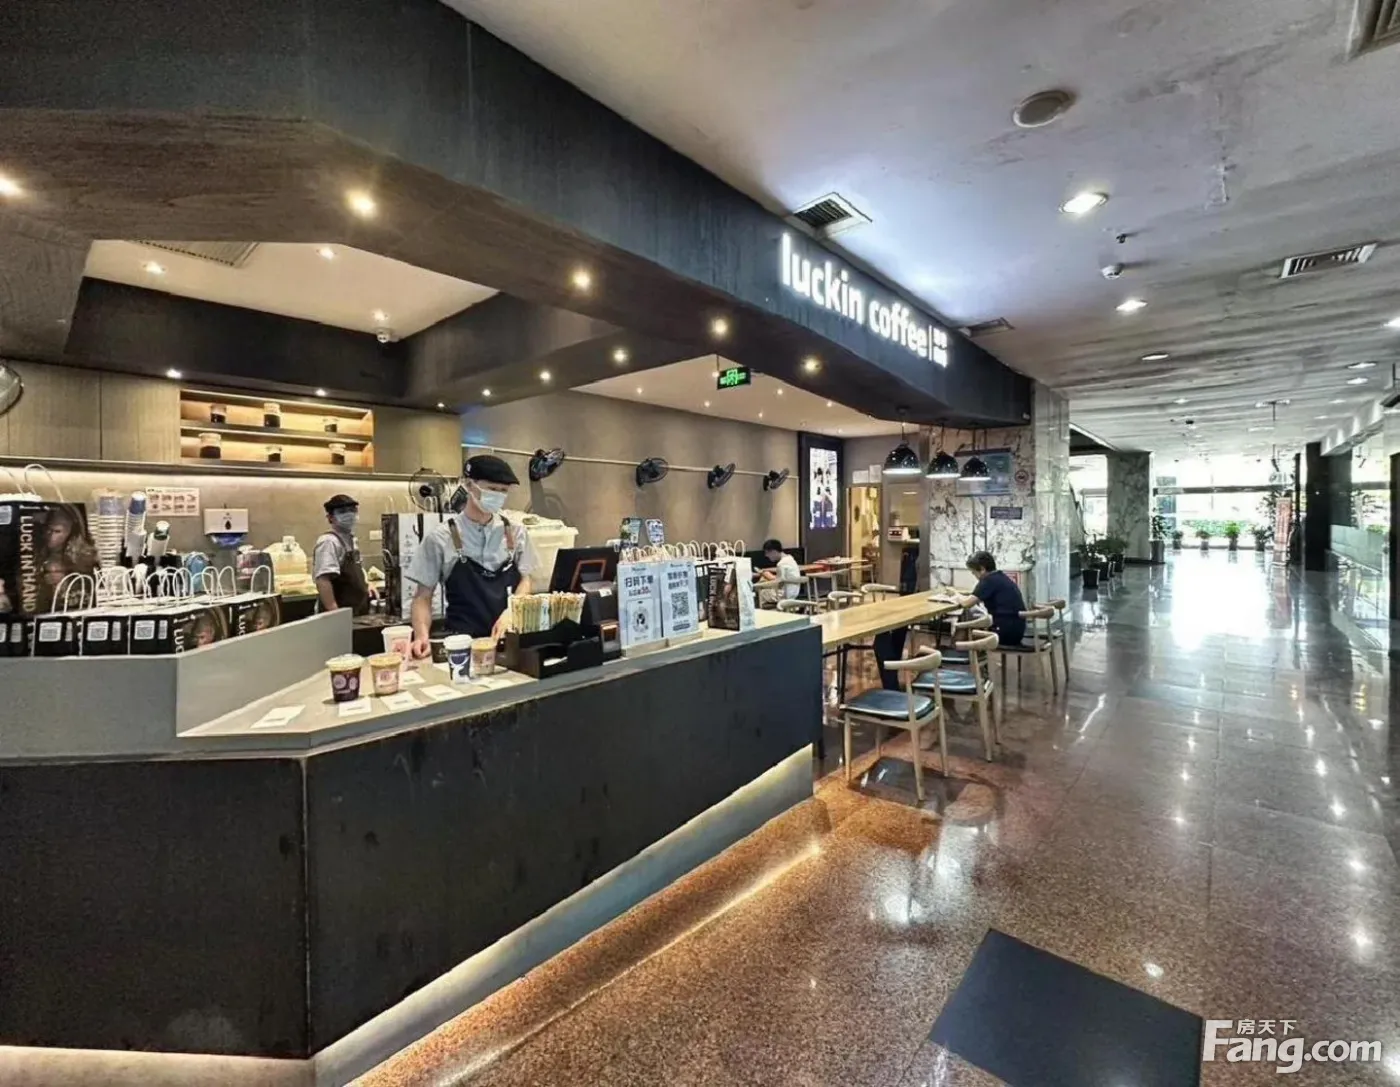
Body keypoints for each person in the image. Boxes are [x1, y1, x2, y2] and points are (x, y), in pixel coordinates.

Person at [405, 454, 540, 655]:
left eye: (503, 491)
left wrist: (512, 611)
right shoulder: (440, 537)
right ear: (468, 485)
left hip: (509, 640)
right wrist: (421, 636)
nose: (498, 495)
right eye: (492, 489)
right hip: (461, 645)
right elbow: (422, 597)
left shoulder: (515, 532)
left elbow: (526, 580)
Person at [313, 494, 370, 616]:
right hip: (339, 610)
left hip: (356, 609)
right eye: (342, 511)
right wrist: (334, 611)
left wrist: (367, 586)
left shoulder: (351, 539)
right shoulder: (329, 542)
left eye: (352, 510)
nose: (349, 515)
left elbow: (357, 569)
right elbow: (323, 580)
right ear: (330, 518)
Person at [955, 550, 1026, 647]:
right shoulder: (999, 576)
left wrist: (955, 596)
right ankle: (960, 650)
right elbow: (976, 595)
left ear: (982, 569)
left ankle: (957, 650)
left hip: (1004, 633)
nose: (974, 576)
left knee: (965, 626)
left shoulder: (988, 581)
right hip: (1016, 630)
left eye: (973, 572)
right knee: (971, 620)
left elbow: (966, 603)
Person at [756, 538, 802, 605]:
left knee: (760, 590)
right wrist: (767, 571)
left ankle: (764, 609)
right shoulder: (790, 559)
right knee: (763, 582)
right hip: (794, 592)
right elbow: (784, 577)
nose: (766, 555)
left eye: (767, 553)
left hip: (785, 594)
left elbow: (779, 583)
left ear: (773, 551)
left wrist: (768, 576)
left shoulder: (781, 564)